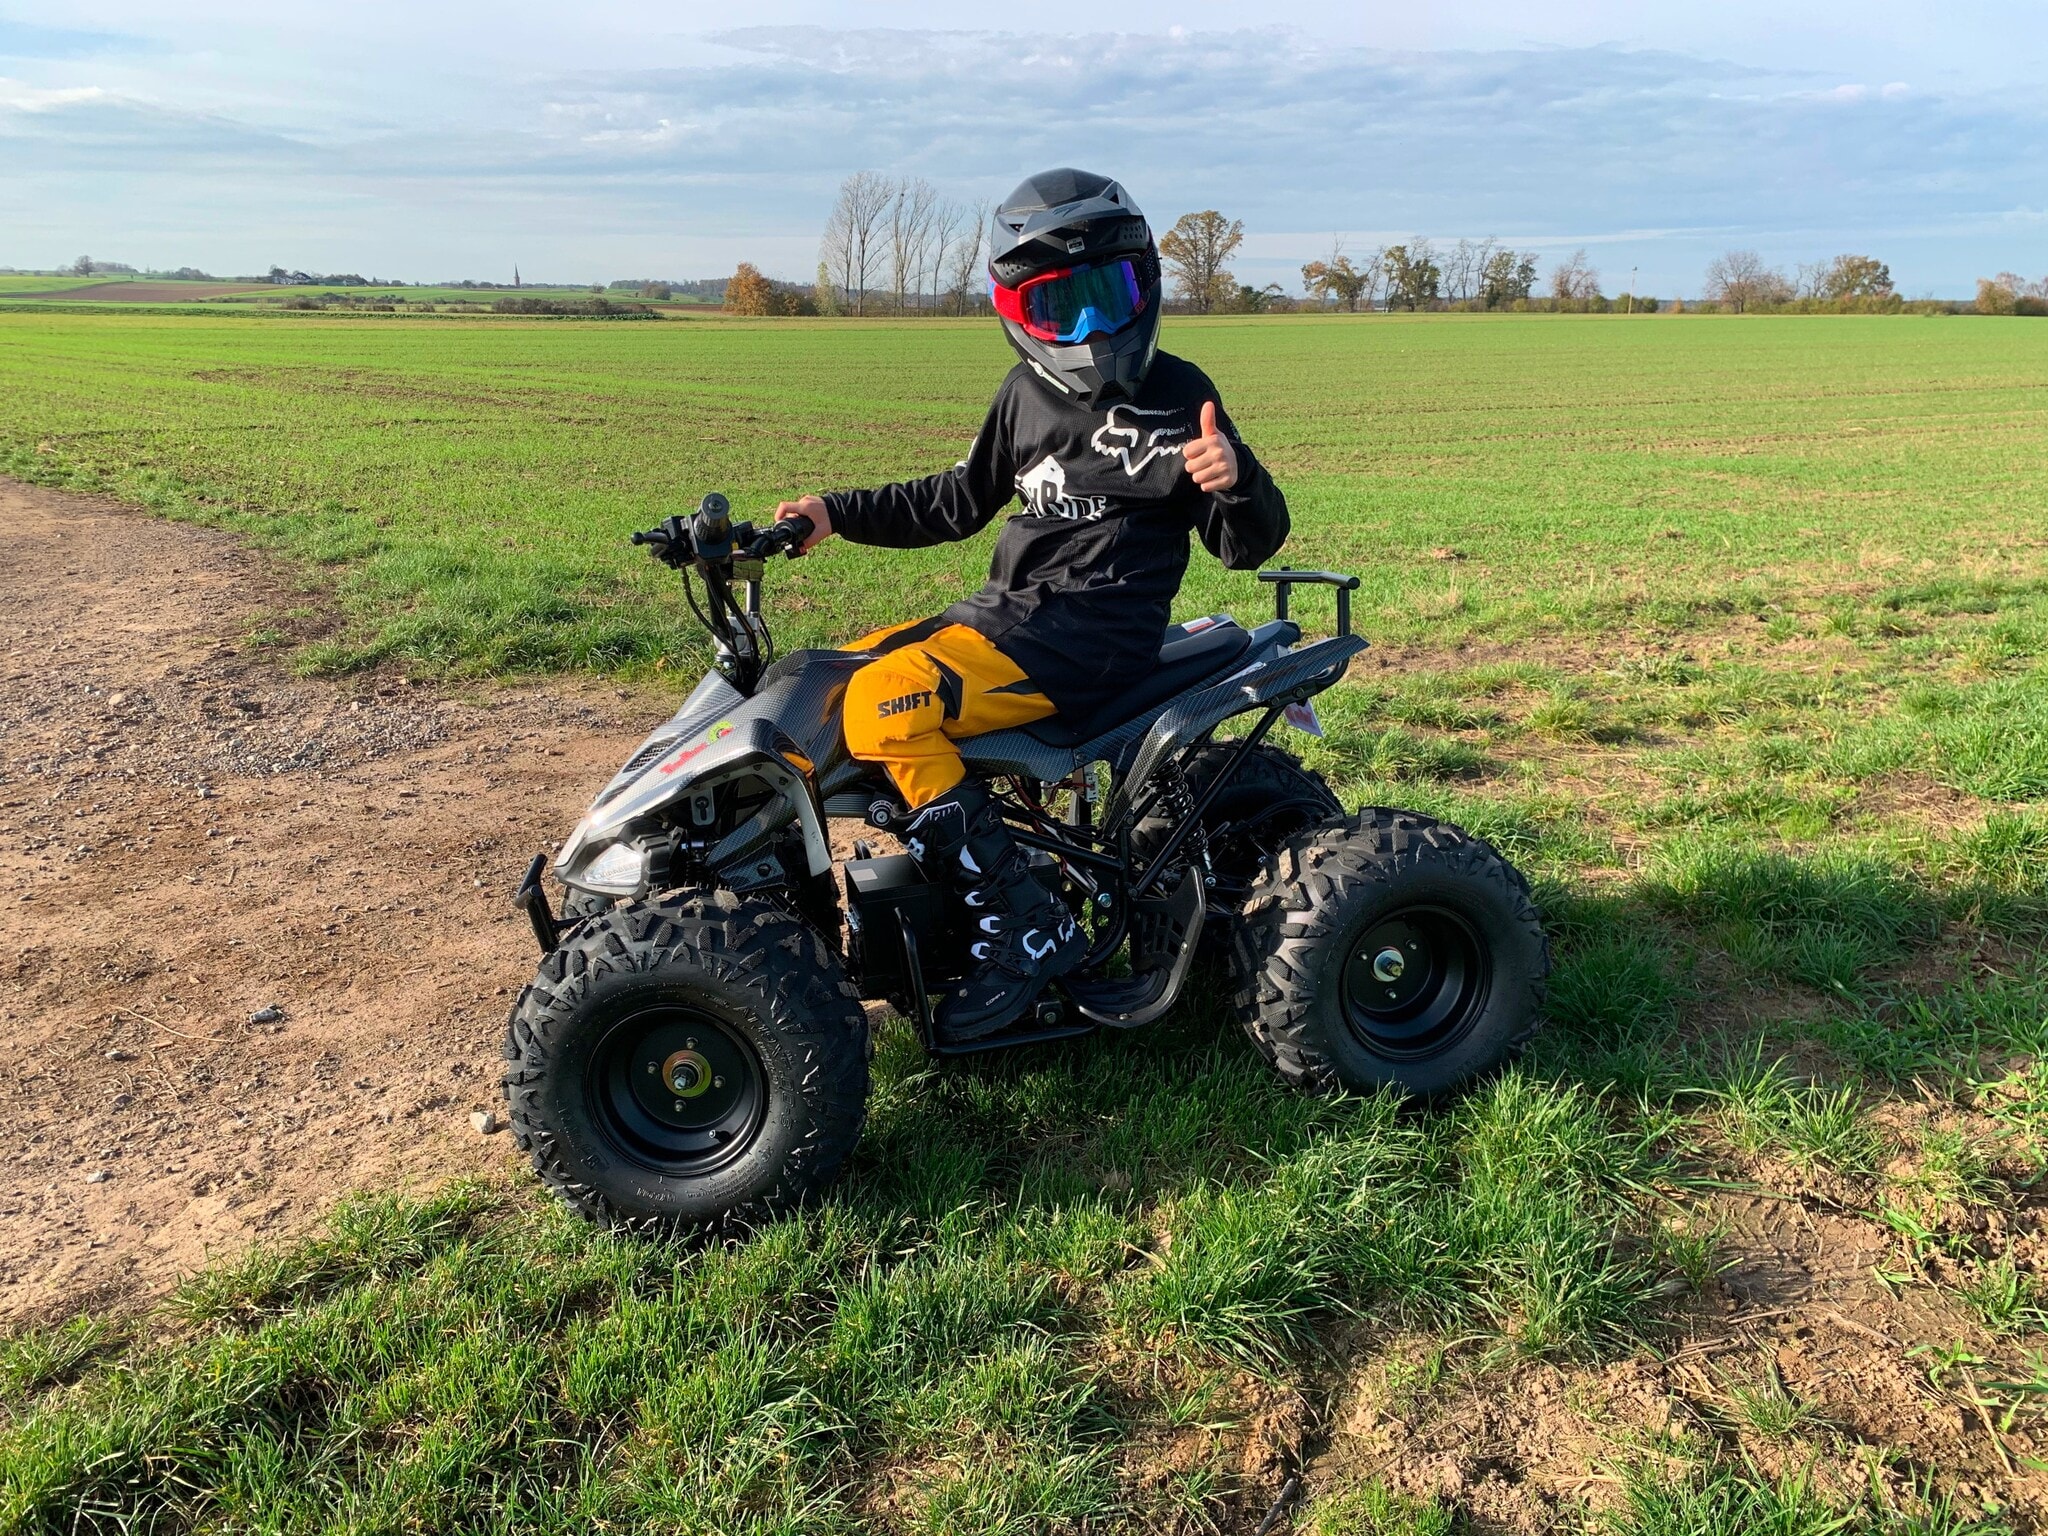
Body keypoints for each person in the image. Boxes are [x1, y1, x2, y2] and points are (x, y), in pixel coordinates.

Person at [775, 167, 1289, 1042]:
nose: (1089, 329)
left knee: (883, 706)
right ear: (1017, 314)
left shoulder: (1179, 396)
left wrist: (1234, 482)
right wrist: (836, 513)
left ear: (1147, 285)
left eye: (1108, 296)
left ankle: (1025, 930)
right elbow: (955, 499)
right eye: (1062, 308)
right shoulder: (1027, 396)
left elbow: (1249, 545)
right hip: (1010, 618)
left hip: (1088, 646)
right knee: (817, 681)